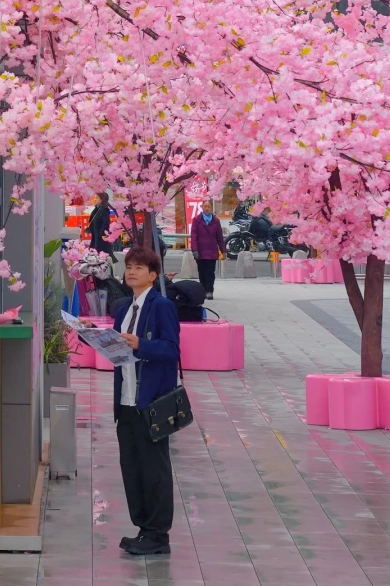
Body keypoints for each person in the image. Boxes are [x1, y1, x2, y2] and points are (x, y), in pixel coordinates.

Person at [112, 245, 180, 558]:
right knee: (132, 467)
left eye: (139, 267)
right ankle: (143, 527)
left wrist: (141, 345)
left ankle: (158, 534)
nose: (131, 271)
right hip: (126, 401)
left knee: (155, 469)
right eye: (128, 266)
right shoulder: (123, 307)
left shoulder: (161, 306)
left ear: (153, 275)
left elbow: (171, 350)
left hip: (151, 401)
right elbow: (117, 350)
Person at [189, 200, 224, 300]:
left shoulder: (216, 221)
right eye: (205, 206)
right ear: (202, 207)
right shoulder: (197, 220)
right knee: (202, 272)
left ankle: (209, 291)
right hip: (200, 250)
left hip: (212, 250)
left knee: (210, 272)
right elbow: (194, 235)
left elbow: (220, 237)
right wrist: (194, 249)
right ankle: (203, 290)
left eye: (208, 206)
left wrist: (223, 250)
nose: (207, 208)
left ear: (211, 208)